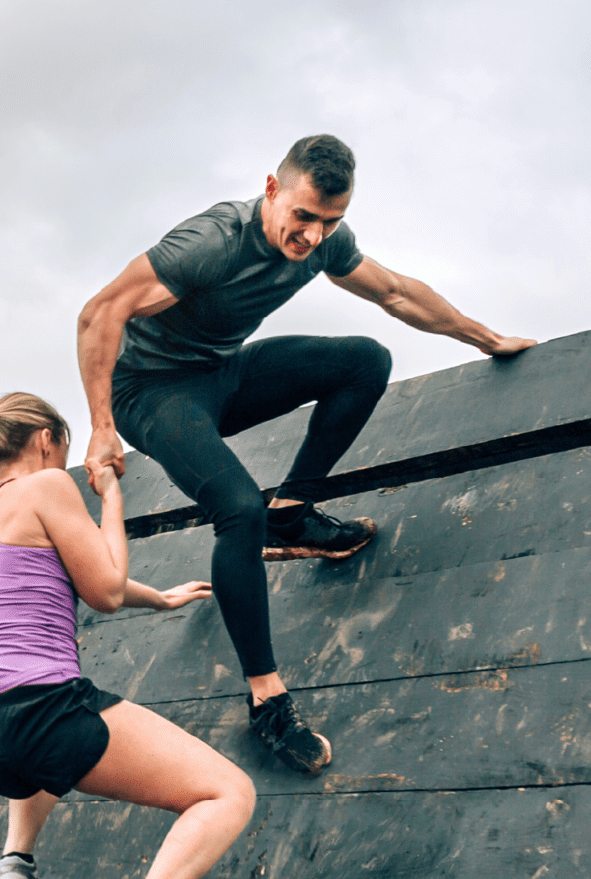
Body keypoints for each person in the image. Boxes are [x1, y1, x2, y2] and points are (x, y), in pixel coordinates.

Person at [77, 133, 536, 774]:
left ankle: (291, 512)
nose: (313, 236)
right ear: (272, 190)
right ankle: (267, 700)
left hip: (221, 374)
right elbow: (101, 312)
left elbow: (395, 293)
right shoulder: (211, 241)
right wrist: (101, 427)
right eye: (303, 217)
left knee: (363, 361)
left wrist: (485, 338)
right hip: (151, 392)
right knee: (237, 507)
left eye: (330, 222)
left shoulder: (325, 243)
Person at [0, 393, 254, 879]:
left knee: (45, 767)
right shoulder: (48, 484)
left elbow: (78, 576)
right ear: (47, 439)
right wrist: (110, 494)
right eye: (66, 450)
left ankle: (15, 859)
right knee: (228, 792)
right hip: (44, 705)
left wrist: (163, 598)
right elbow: (103, 588)